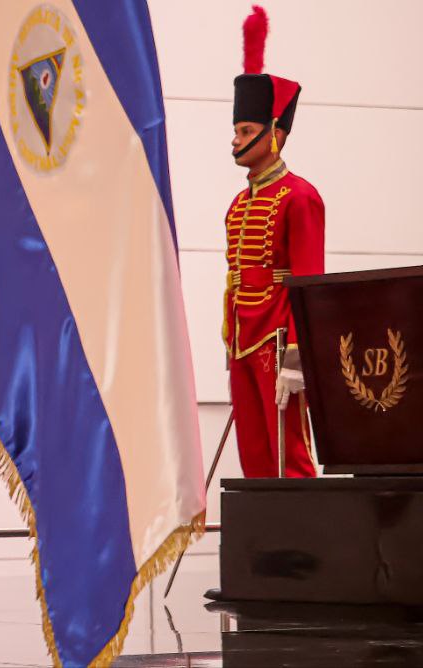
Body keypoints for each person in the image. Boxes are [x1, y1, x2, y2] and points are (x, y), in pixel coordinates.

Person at [222, 6, 322, 479]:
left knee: (290, 454)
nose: (235, 140)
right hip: (243, 338)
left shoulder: (300, 197)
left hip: (280, 338)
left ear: (274, 133)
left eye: (245, 131)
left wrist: (298, 357)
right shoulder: (238, 204)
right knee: (254, 457)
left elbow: (309, 283)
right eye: (236, 131)